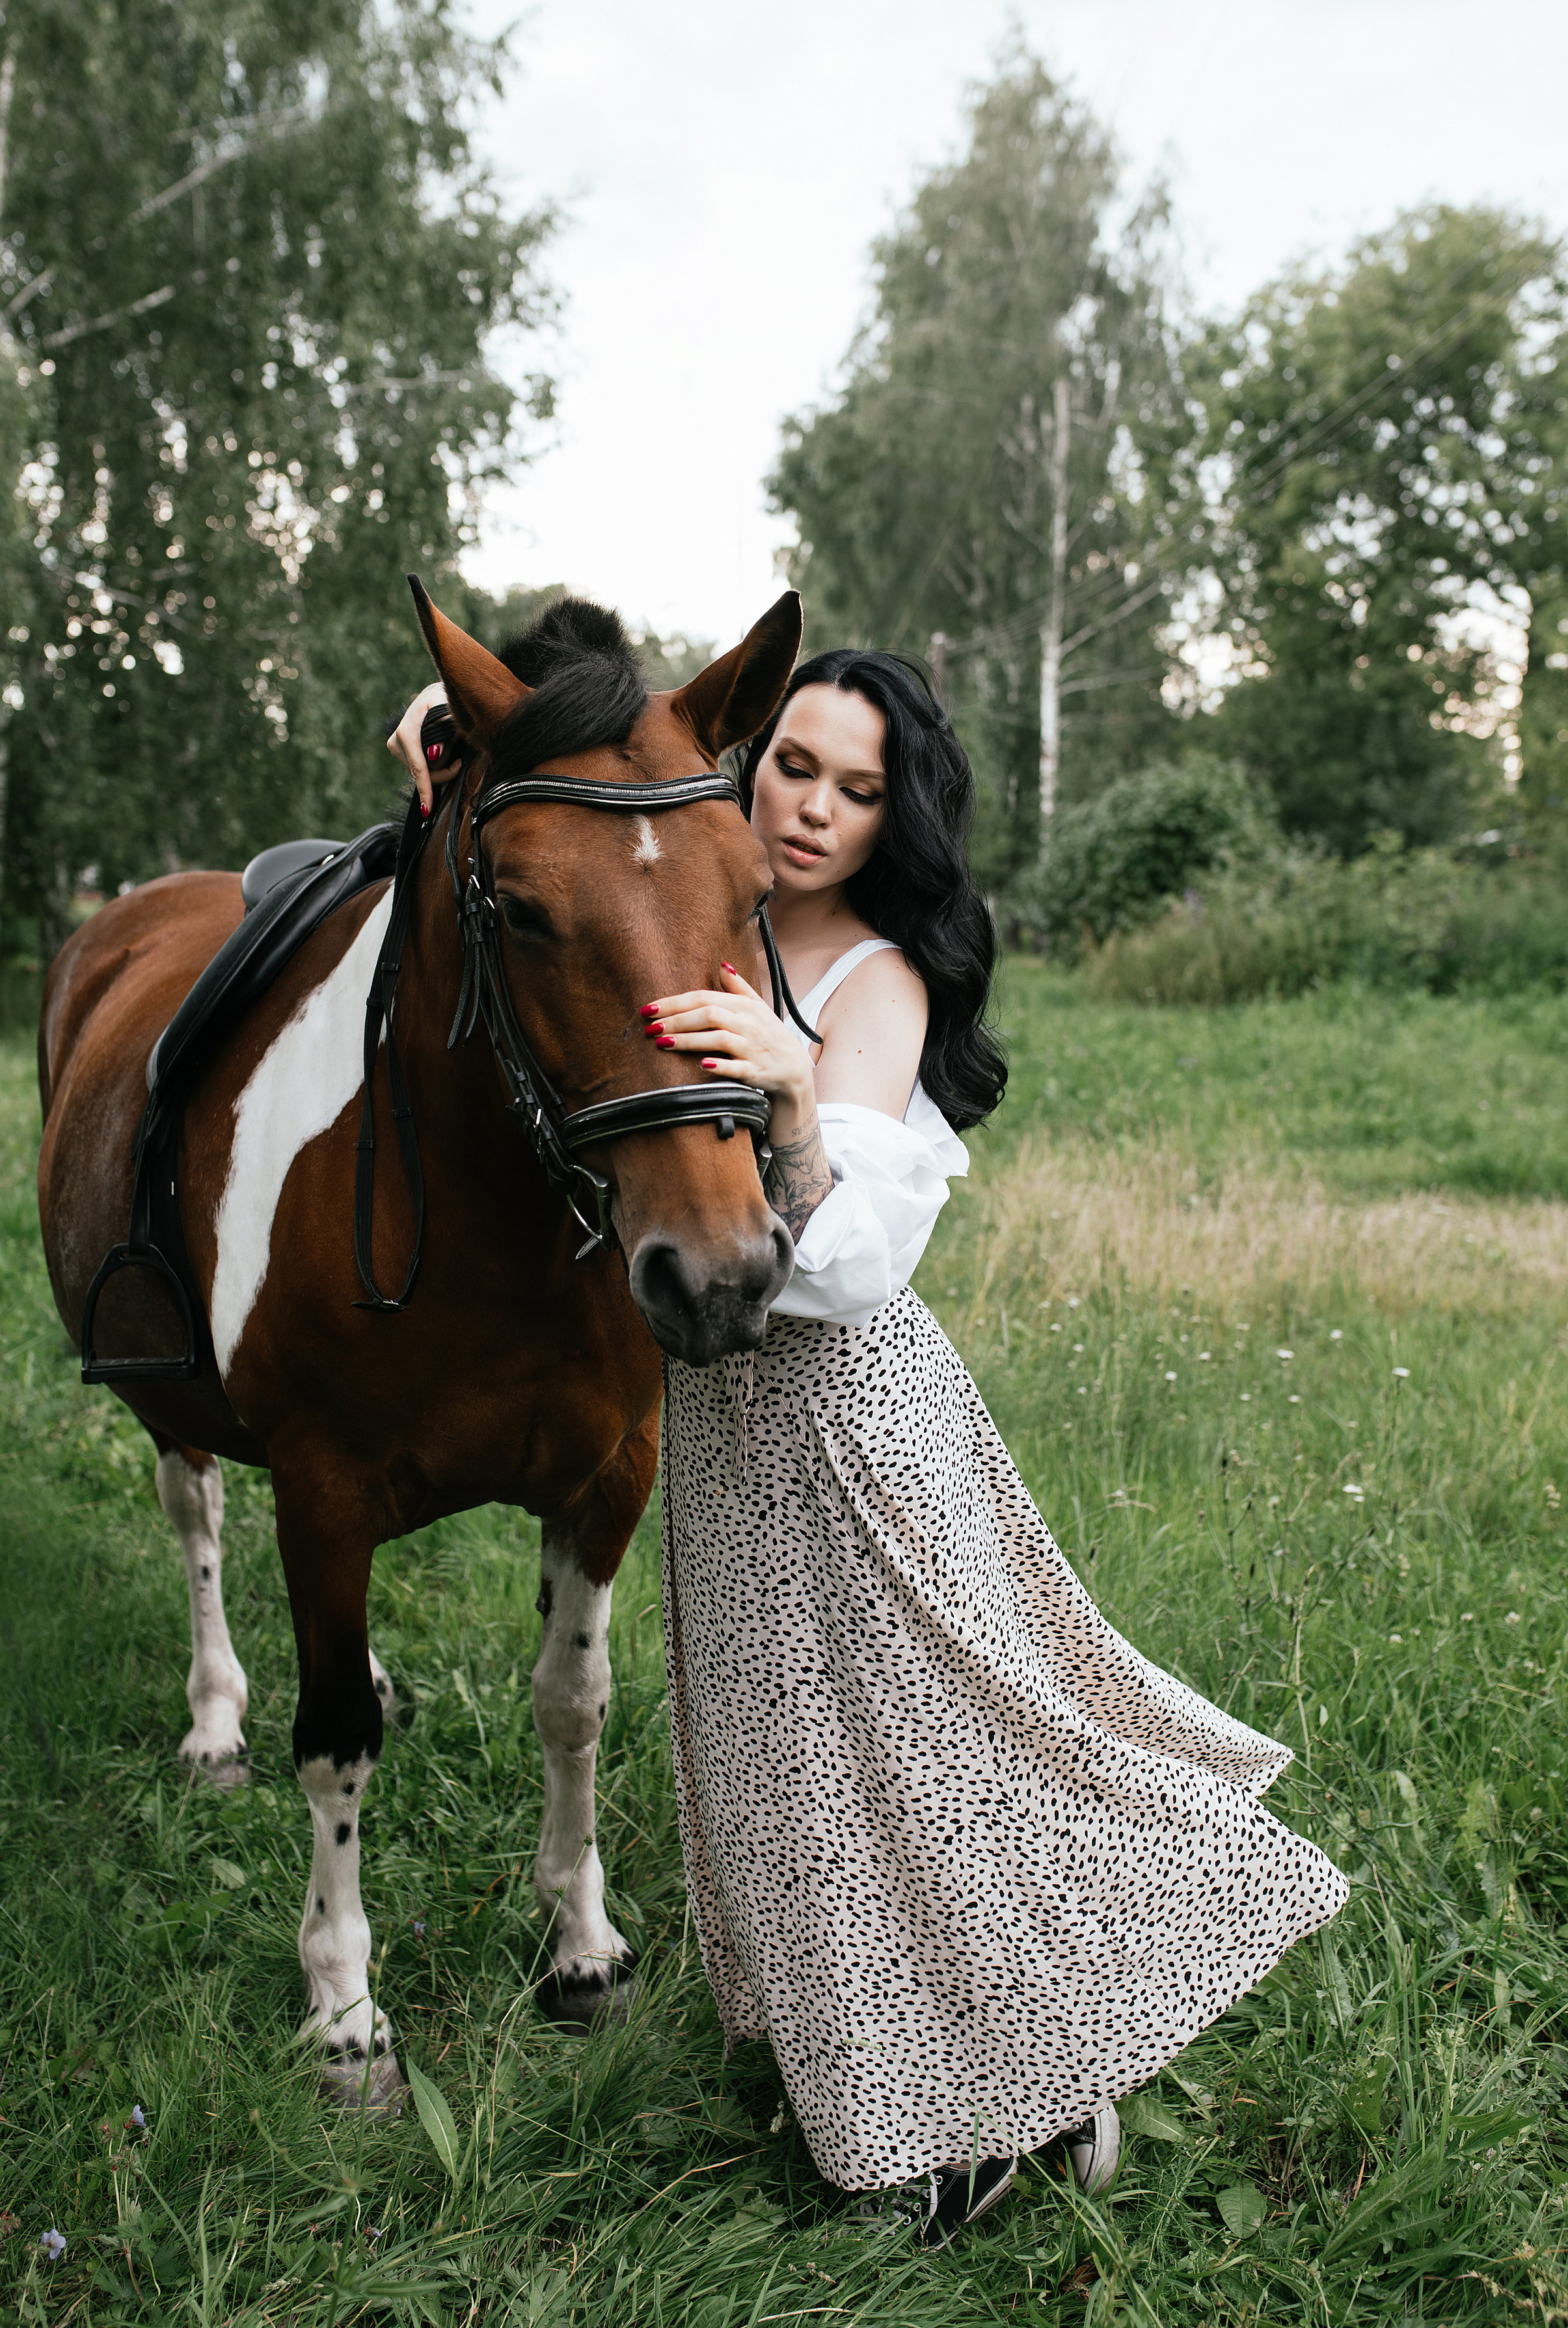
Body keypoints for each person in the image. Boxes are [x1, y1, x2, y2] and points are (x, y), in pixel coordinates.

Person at [390, 648, 1346, 2246]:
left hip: (845, 1417)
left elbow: (854, 1268)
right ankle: (875, 2081)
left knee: (927, 1762)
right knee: (783, 1775)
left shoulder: (870, 985)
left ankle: (1039, 2094)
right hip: (722, 1429)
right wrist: (436, 744)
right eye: (795, 771)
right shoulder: (707, 915)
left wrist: (791, 1100)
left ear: (893, 814)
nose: (816, 809)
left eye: (856, 787)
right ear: (744, 771)